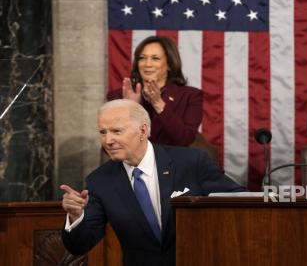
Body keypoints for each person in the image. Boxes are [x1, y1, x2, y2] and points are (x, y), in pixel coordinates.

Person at [60, 99, 245, 266]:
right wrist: (76, 217)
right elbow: (80, 245)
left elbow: (239, 200)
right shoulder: (100, 181)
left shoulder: (191, 162)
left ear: (143, 130)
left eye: (116, 131)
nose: (108, 141)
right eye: (102, 132)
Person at [107, 36, 202, 146]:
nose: (147, 64)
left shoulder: (190, 96)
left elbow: (185, 139)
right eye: (142, 58)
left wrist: (158, 103)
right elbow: (110, 143)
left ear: (170, 65)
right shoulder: (117, 96)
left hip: (171, 161)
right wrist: (132, 109)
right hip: (131, 162)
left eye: (155, 58)